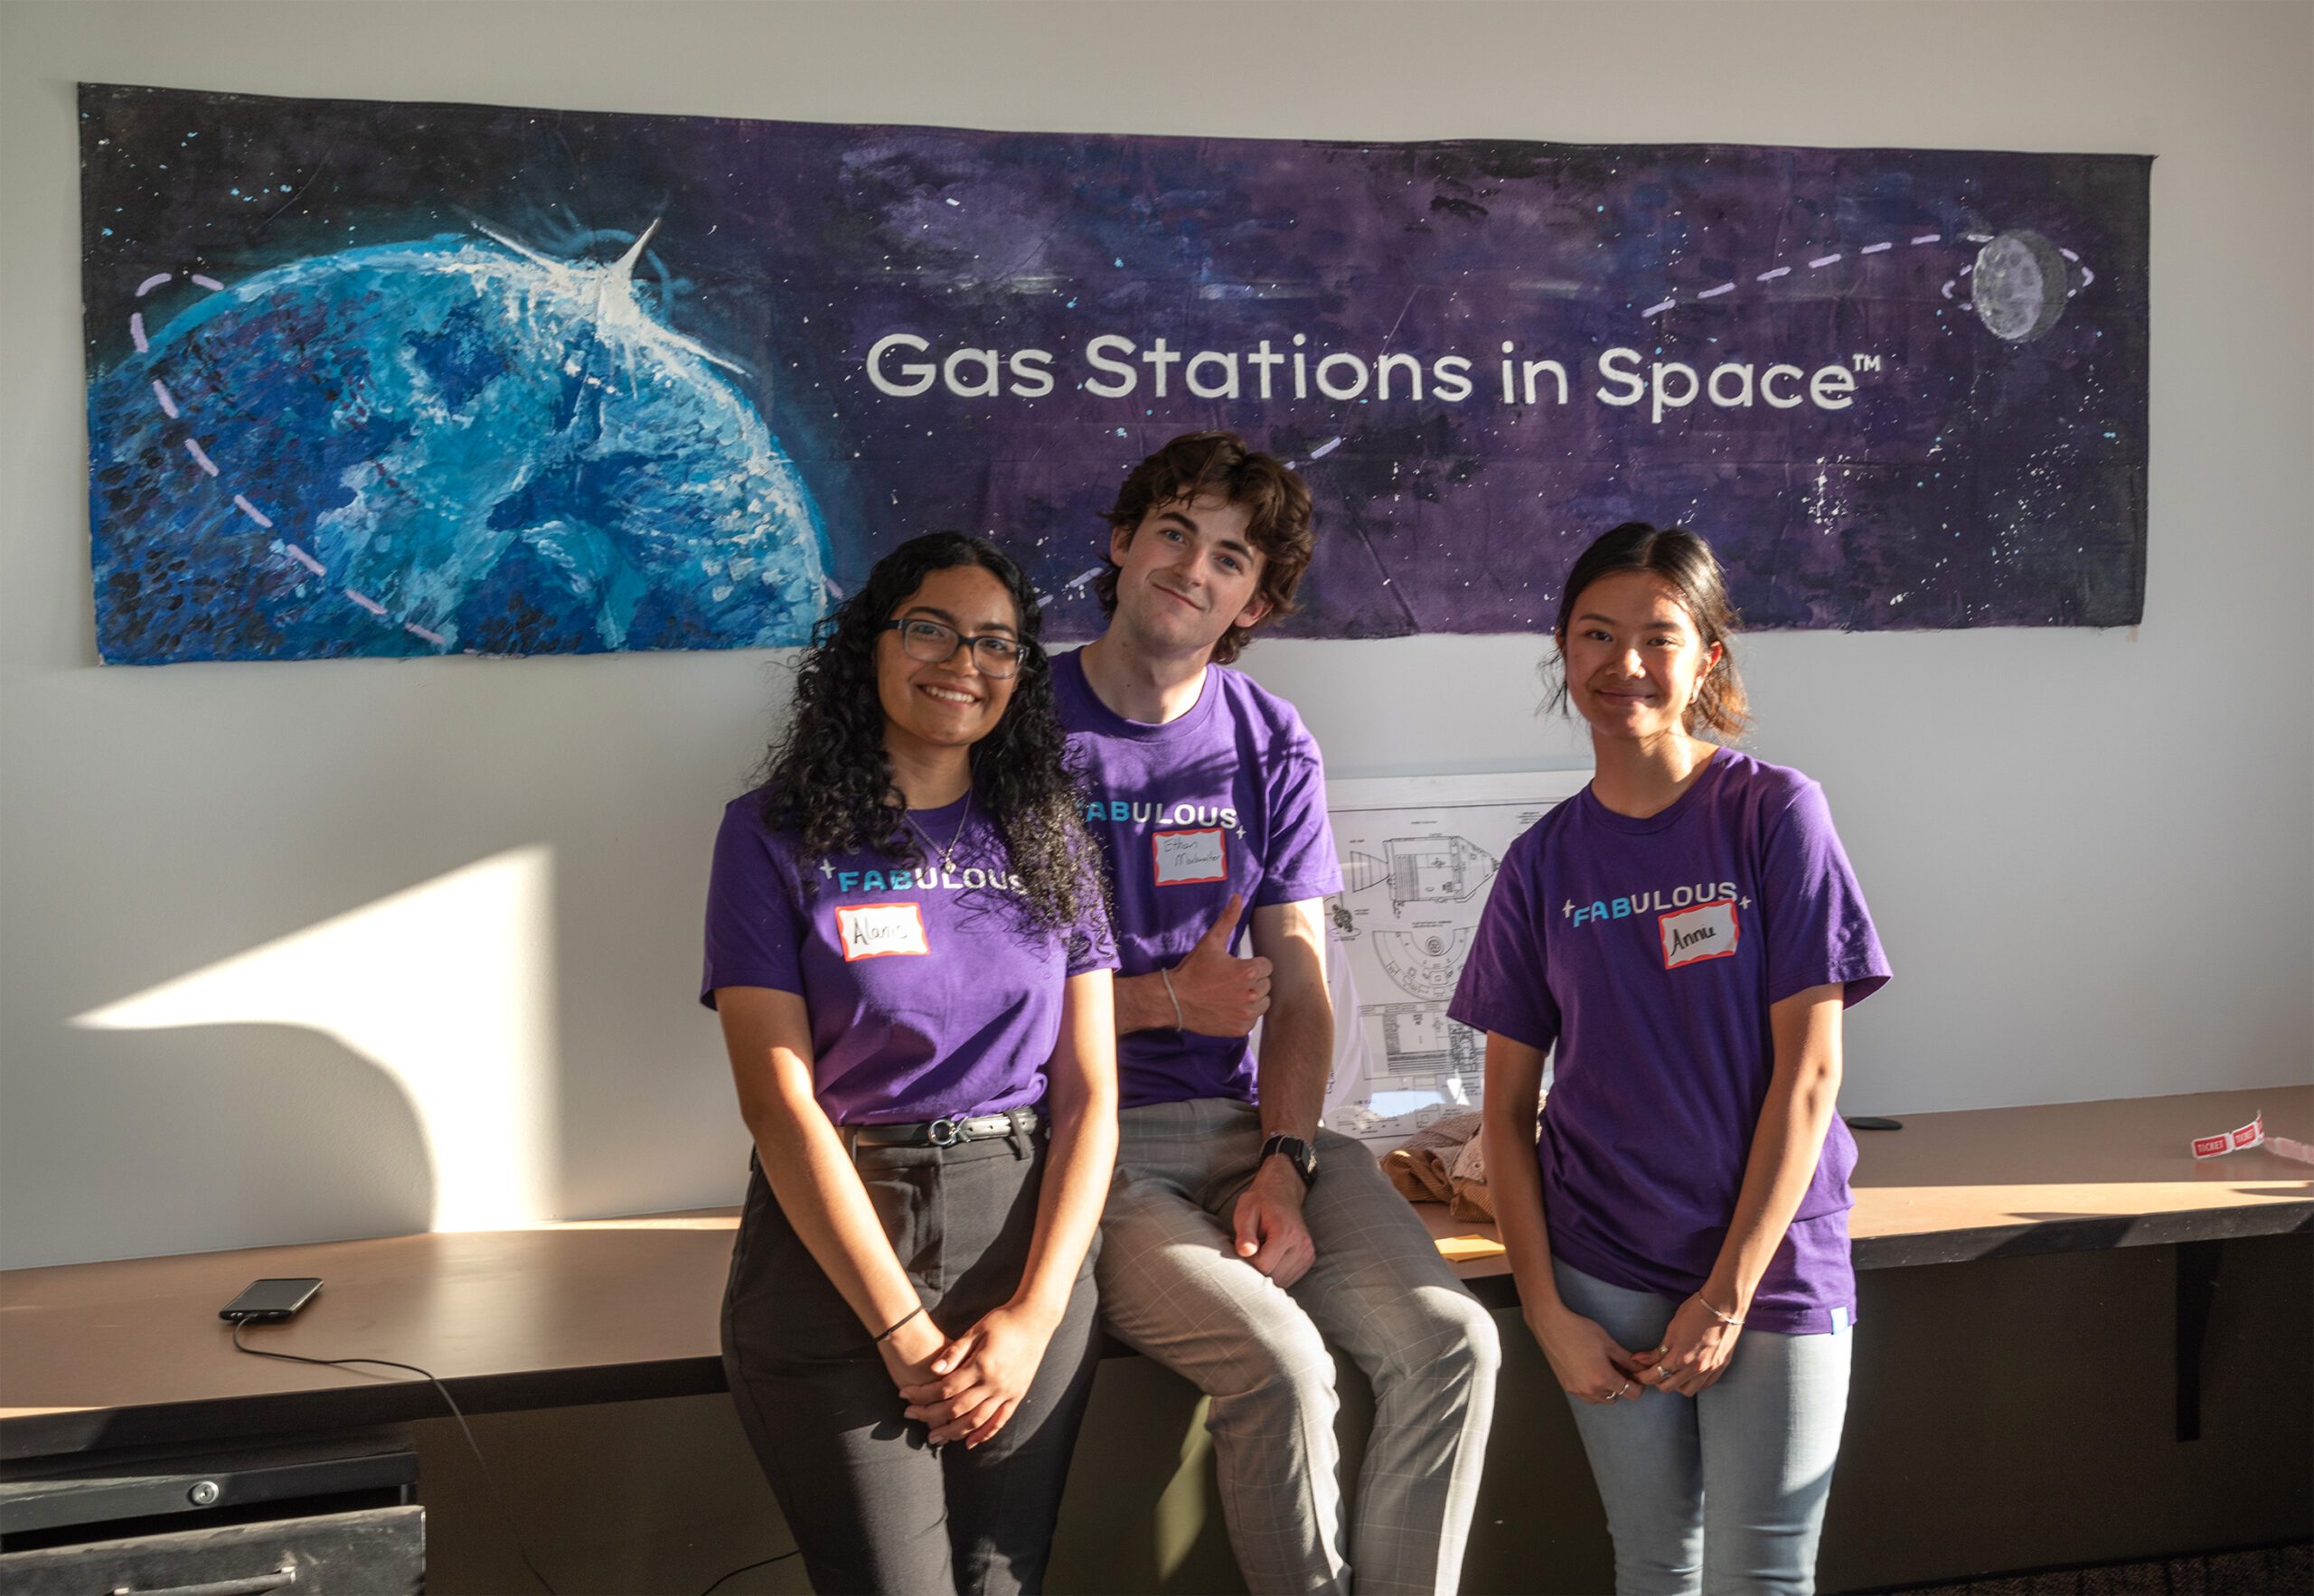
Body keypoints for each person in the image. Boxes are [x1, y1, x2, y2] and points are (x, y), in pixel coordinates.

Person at [1054, 431, 1500, 1595]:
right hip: (1084, 1144)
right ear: (1122, 540)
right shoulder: (1015, 729)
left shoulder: (1267, 739)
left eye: (1230, 557)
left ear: (1256, 597)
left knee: (1452, 1340)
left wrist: (1288, 1160)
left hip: (1249, 1127)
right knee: (1280, 1361)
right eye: (1173, 533)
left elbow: (1296, 974)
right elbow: (973, 997)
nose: (1192, 569)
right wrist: (1158, 1001)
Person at [1449, 522, 1892, 1596]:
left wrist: (1727, 1293)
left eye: (1658, 635)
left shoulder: (1772, 812)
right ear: (1563, 652)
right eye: (1596, 634)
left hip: (1770, 1263)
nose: (1625, 664)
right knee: (1653, 1566)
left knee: (1764, 1572)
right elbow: (1505, 1112)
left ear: (1708, 659)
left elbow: (1811, 1075)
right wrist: (1548, 1312)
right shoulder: (1541, 860)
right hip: (1603, 1263)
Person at [702, 532, 1117, 1596]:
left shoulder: (1051, 835)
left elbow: (1090, 1098)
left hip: (1024, 1246)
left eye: (996, 642)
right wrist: (897, 1328)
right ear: (870, 644)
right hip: (839, 1250)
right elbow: (777, 1100)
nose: (962, 661)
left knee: (1000, 1583)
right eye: (929, 627)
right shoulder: (771, 833)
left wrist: (1033, 1314)